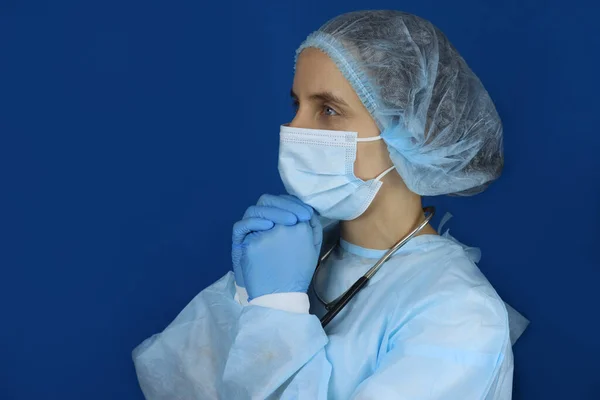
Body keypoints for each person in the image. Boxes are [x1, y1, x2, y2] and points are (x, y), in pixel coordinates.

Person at [133, 10, 521, 399]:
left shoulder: (458, 314)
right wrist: (247, 297)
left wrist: (277, 309)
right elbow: (178, 381)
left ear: (409, 130)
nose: (294, 130)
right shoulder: (295, 256)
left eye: (328, 109)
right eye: (296, 105)